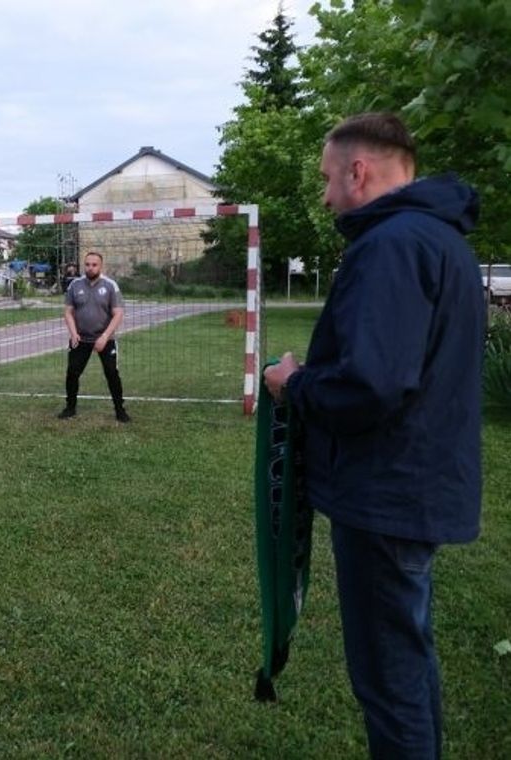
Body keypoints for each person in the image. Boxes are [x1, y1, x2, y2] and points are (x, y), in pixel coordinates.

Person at [263, 112, 485, 758]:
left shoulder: (390, 245)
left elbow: (373, 384)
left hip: (389, 492)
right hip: (415, 485)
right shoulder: (440, 240)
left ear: (359, 172)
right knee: (408, 663)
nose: (328, 196)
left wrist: (293, 384)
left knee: (390, 680)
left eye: (329, 179)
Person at [59, 251, 130, 423]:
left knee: (112, 373)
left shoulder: (110, 285)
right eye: (87, 264)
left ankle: (120, 410)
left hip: (105, 339)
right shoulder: (75, 285)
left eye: (94, 265)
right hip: (80, 338)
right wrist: (74, 333)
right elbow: (68, 312)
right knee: (72, 373)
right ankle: (70, 407)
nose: (90, 268)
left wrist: (105, 336)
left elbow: (118, 314)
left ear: (101, 266)